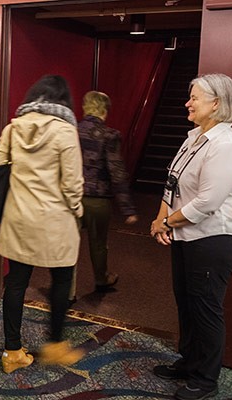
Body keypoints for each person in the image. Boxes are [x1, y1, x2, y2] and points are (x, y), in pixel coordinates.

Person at [149, 73, 232, 400]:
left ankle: (206, 379)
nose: (187, 103)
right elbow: (172, 182)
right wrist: (160, 217)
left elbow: (207, 202)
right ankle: (188, 361)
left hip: (214, 238)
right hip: (187, 235)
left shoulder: (227, 145)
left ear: (217, 104)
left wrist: (168, 223)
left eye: (194, 98)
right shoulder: (194, 137)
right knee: (187, 302)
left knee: (205, 307)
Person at [0, 75, 85, 374]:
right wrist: (78, 210)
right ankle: (55, 346)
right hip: (55, 221)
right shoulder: (65, 131)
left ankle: (12, 351)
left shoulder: (12, 128)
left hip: (18, 217)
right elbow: (72, 184)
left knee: (16, 283)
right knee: (61, 281)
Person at [72, 91, 138, 299]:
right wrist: (127, 208)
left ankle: (67, 291)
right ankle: (101, 279)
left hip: (72, 197)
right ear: (104, 110)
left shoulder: (72, 132)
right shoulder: (110, 135)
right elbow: (116, 171)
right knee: (98, 243)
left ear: (84, 108)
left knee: (69, 244)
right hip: (97, 200)